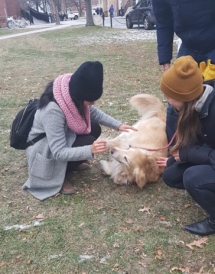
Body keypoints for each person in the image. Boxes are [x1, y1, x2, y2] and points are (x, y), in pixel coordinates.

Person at [23, 61, 136, 201]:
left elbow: (93, 112)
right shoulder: (53, 111)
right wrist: (90, 150)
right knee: (88, 142)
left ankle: (70, 165)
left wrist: (118, 125)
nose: (93, 104)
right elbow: (58, 152)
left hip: (58, 138)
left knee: (94, 127)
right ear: (80, 96)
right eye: (90, 100)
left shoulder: (69, 93)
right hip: (43, 150)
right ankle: (58, 175)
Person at [156, 56, 215, 236]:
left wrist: (189, 153)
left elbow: (198, 150)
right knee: (172, 176)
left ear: (184, 96)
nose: (167, 101)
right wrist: (171, 162)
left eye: (169, 96)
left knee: (192, 177)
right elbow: (198, 143)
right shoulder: (195, 106)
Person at [152, 0, 215, 143]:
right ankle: (174, 150)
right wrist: (166, 64)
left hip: (212, 43)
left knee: (210, 100)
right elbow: (163, 21)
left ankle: (206, 150)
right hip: (188, 45)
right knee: (175, 96)